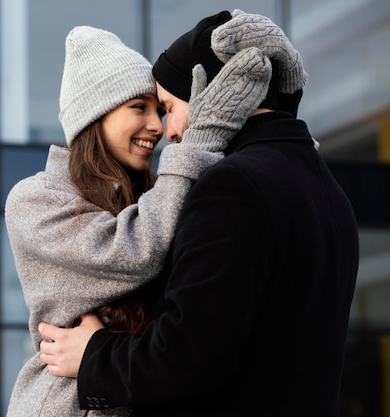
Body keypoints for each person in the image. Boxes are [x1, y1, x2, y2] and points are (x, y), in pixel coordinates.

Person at [38, 10, 359, 416]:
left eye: (169, 107)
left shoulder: (232, 186)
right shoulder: (330, 192)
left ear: (207, 91)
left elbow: (186, 355)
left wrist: (94, 355)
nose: (168, 131)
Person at [4, 24, 272, 417]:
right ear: (96, 114)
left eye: (161, 109)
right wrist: (199, 142)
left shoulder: (157, 195)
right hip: (68, 405)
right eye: (139, 107)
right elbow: (130, 250)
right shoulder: (34, 199)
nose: (158, 127)